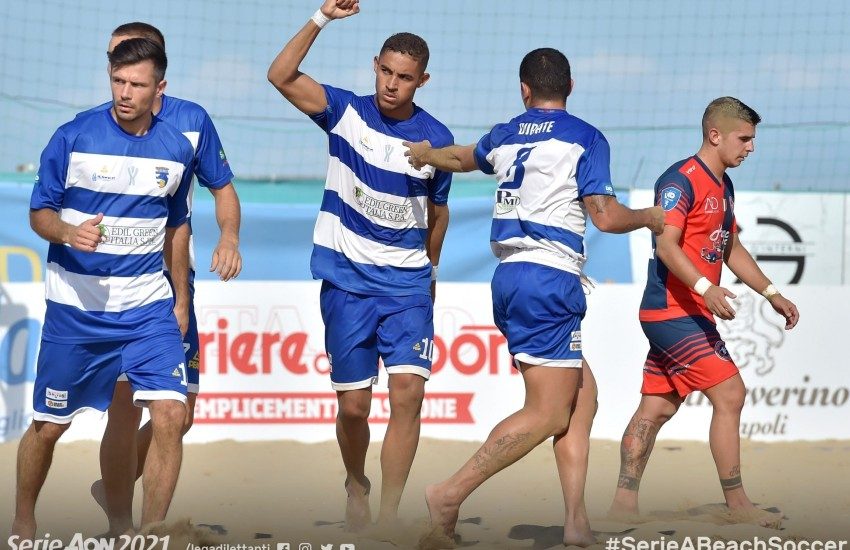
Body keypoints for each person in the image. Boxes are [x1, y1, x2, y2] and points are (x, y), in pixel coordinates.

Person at [404, 47, 665, 547]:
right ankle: (449, 494)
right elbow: (606, 216)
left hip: (512, 275)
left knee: (581, 399)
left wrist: (424, 154)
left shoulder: (506, 133)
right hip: (548, 278)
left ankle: (575, 525)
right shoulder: (586, 137)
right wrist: (651, 217)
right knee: (547, 413)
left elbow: (461, 157)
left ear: (525, 89)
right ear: (570, 86)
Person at [267, 0, 453, 532]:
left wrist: (430, 273)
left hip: (407, 286)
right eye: (387, 71)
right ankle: (356, 482)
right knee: (353, 408)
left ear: (423, 81)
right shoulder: (344, 111)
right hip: (346, 282)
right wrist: (321, 18)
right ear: (376, 65)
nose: (393, 84)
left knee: (409, 395)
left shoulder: (435, 139)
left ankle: (390, 517)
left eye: (405, 78)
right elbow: (280, 75)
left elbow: (438, 213)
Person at [12, 37, 194, 539]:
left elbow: (177, 227)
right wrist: (69, 233)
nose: (125, 92)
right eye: (118, 81)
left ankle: (152, 533)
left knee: (172, 414)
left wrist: (180, 298)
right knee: (50, 427)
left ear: (160, 88)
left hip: (147, 308)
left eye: (137, 84)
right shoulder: (72, 136)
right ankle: (24, 520)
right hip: (77, 310)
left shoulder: (177, 148)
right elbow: (38, 213)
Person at [607, 97, 800, 528]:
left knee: (655, 410)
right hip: (672, 310)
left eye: (753, 139)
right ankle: (737, 504)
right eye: (744, 138)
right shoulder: (681, 180)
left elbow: (729, 247)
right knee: (731, 394)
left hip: (689, 312)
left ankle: (622, 505)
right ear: (715, 135)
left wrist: (771, 293)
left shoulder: (724, 185)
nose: (751, 148)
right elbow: (666, 245)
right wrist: (705, 287)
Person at [86, 22, 242, 535]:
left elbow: (221, 187)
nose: (119, 69)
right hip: (111, 291)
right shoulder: (94, 129)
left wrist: (228, 238)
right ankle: (123, 526)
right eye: (113, 62)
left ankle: (116, 489)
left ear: (157, 69)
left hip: (173, 285)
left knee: (181, 412)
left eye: (129, 59)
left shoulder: (191, 121)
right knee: (124, 411)